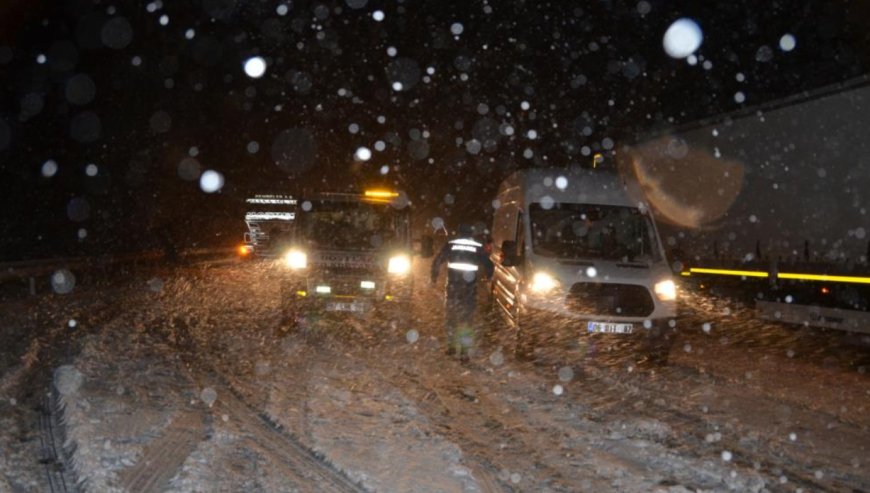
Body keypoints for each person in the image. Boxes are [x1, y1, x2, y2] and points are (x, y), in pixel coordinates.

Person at [431, 224, 494, 359]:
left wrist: (434, 278)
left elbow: (437, 261)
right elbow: (489, 265)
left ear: (459, 233)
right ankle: (464, 352)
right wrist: (489, 278)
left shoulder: (451, 245)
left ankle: (451, 347)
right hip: (469, 289)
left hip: (453, 288)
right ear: (471, 233)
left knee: (451, 317)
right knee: (467, 320)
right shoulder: (477, 247)